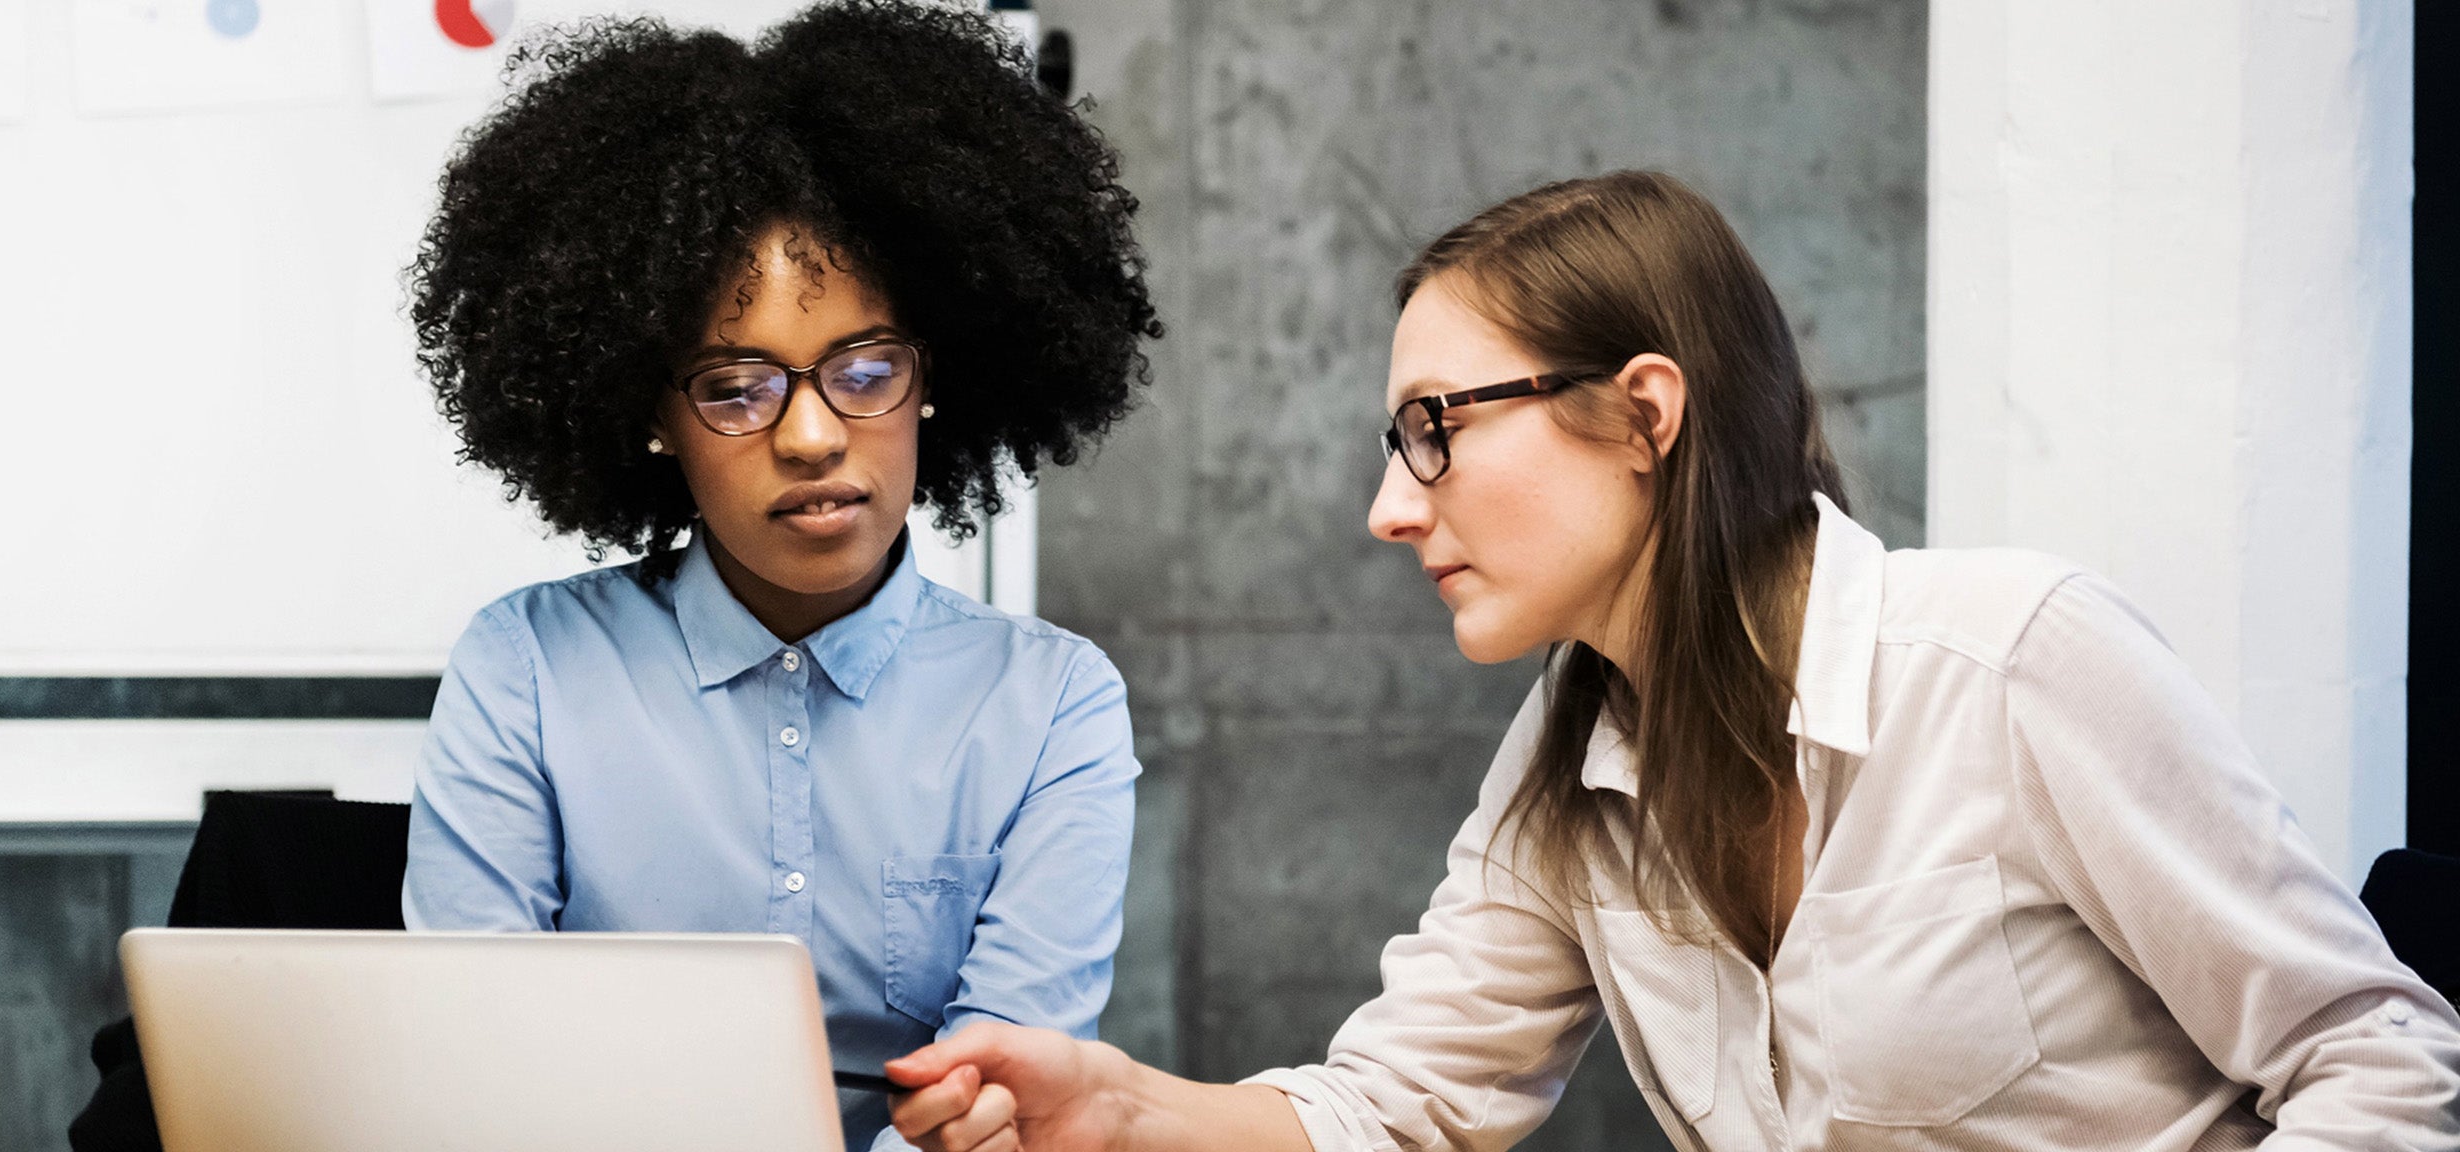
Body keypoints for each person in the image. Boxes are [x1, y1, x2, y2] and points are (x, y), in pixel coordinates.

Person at [878, 170, 2460, 1152]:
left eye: (1435, 430)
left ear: (1645, 411)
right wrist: (1124, 1109)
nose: (1386, 506)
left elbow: (2380, 1060)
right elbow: (1399, 1110)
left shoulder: (2011, 663)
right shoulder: (1567, 762)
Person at [397, 5, 1160, 1151]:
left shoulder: (1052, 708)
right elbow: (473, 1066)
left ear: (933, 381)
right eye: (737, 384)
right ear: (651, 416)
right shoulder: (527, 672)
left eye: (865, 368)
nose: (811, 437)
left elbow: (1002, 1093)